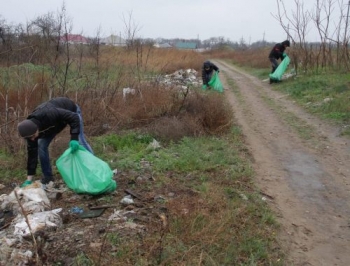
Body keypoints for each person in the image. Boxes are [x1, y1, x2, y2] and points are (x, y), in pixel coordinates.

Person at [17, 97, 93, 188]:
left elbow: (74, 117)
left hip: (72, 111)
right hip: (52, 126)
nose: (32, 139)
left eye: (33, 136)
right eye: (30, 138)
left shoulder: (49, 113)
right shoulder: (29, 133)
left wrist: (74, 138)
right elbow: (32, 155)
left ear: (36, 128)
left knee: (80, 141)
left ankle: (94, 169)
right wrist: (29, 179)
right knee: (41, 145)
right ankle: (48, 177)